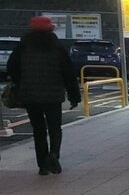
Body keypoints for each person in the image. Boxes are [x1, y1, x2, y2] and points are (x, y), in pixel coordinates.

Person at [7, 16, 80, 175]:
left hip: (30, 95)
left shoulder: (23, 47)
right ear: (51, 29)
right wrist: (75, 96)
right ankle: (54, 155)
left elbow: (11, 68)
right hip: (53, 96)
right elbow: (68, 73)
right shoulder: (57, 47)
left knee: (38, 130)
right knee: (55, 128)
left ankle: (42, 165)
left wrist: (21, 82)